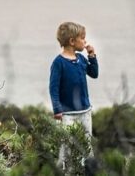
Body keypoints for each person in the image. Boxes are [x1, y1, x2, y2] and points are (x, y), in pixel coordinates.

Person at [49, 21, 99, 168]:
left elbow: (94, 73)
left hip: (85, 111)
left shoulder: (81, 59)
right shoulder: (58, 63)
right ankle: (63, 170)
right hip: (67, 114)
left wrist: (92, 55)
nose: (85, 41)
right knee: (66, 145)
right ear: (72, 41)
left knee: (87, 144)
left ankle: (88, 170)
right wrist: (57, 109)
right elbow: (53, 88)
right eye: (82, 38)